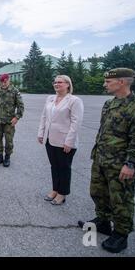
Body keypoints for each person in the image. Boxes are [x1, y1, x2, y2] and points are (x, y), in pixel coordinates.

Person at [78, 68, 135, 253]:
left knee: (121, 200)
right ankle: (103, 221)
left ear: (122, 82)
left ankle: (121, 234)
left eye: (108, 82)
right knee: (98, 192)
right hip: (102, 159)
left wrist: (131, 164)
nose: (105, 84)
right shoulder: (109, 104)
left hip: (121, 165)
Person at [37, 75, 84, 205]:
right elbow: (44, 117)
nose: (56, 84)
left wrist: (69, 141)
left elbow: (76, 123)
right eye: (55, 82)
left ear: (67, 85)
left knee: (64, 167)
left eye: (60, 82)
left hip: (64, 141)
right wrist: (41, 133)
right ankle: (55, 189)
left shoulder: (74, 100)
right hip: (49, 138)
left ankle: (62, 193)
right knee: (54, 166)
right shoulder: (50, 98)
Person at [0, 73, 24, 167]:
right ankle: (0, 156)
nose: (4, 83)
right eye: (2, 82)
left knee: (9, 141)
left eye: (5, 81)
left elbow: (20, 106)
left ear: (9, 80)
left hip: (9, 121)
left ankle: (7, 157)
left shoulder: (14, 91)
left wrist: (17, 117)